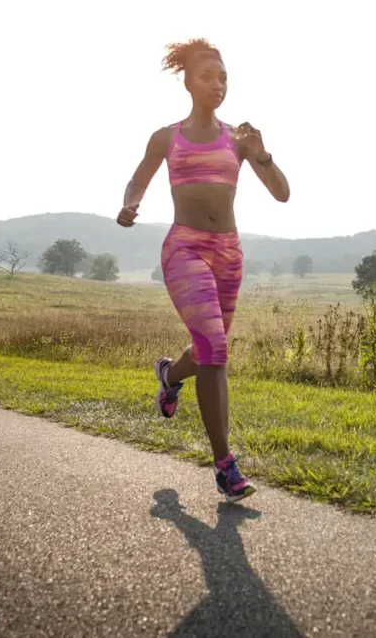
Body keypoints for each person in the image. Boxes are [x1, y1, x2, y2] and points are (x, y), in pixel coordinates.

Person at [117, 39, 290, 503]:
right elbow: (140, 176)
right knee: (215, 349)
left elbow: (282, 193)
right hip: (185, 249)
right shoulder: (165, 137)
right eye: (208, 76)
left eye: (224, 77)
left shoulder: (239, 138)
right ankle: (224, 466)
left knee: (208, 349)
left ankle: (170, 376)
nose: (218, 84)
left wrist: (261, 153)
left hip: (228, 254)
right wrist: (130, 203)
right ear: (188, 82)